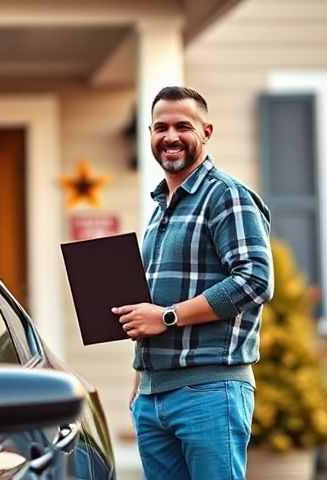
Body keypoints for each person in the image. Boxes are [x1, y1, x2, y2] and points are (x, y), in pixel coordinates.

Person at [112, 86, 273, 480]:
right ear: (149, 133)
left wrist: (167, 317)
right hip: (153, 395)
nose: (170, 136)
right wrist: (141, 379)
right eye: (160, 127)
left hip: (209, 392)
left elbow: (255, 279)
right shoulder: (160, 209)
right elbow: (148, 305)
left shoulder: (226, 196)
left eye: (183, 126)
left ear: (207, 131)